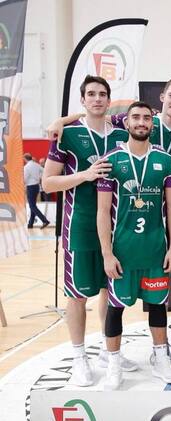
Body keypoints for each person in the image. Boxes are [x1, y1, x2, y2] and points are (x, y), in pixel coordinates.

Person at [42, 75, 133, 386]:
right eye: (91, 94)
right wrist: (85, 174)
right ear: (82, 100)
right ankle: (79, 357)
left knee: (110, 291)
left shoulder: (120, 133)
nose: (97, 99)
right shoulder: (67, 135)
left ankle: (107, 351)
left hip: (115, 227)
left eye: (102, 94)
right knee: (78, 295)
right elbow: (48, 183)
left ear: (109, 99)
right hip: (80, 226)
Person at [111, 78, 171, 366]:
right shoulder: (144, 120)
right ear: (162, 97)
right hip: (136, 218)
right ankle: (112, 353)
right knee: (125, 291)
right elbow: (98, 113)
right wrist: (63, 120)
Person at [96, 101, 171, 390]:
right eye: (136, 117)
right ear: (127, 122)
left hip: (156, 250)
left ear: (152, 124)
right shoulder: (111, 160)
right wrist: (107, 253)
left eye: (146, 118)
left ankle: (161, 359)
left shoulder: (164, 160)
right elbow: (102, 211)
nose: (141, 122)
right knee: (116, 308)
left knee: (157, 306)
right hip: (123, 252)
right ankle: (113, 364)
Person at [23, 153, 49, 228]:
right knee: (33, 205)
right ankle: (30, 224)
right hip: (37, 186)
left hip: (30, 187)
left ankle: (44, 220)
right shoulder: (37, 165)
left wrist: (23, 185)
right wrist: (39, 177)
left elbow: (25, 178)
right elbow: (44, 171)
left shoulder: (26, 167)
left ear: (25, 159)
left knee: (32, 206)